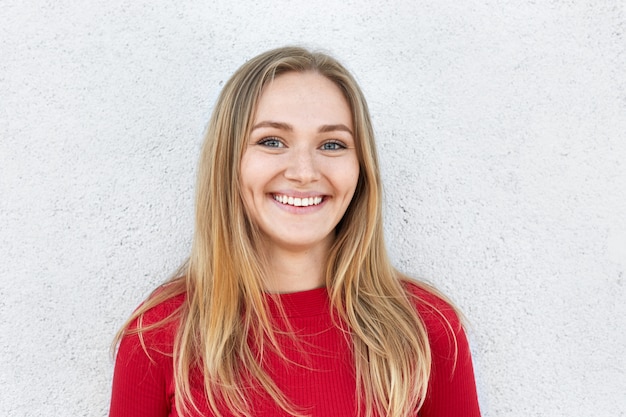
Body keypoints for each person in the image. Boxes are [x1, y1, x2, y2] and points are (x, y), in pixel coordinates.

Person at [109, 46, 481, 417]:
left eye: (332, 144)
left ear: (361, 168)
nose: (304, 172)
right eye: (272, 141)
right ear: (229, 162)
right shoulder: (159, 336)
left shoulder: (428, 330)